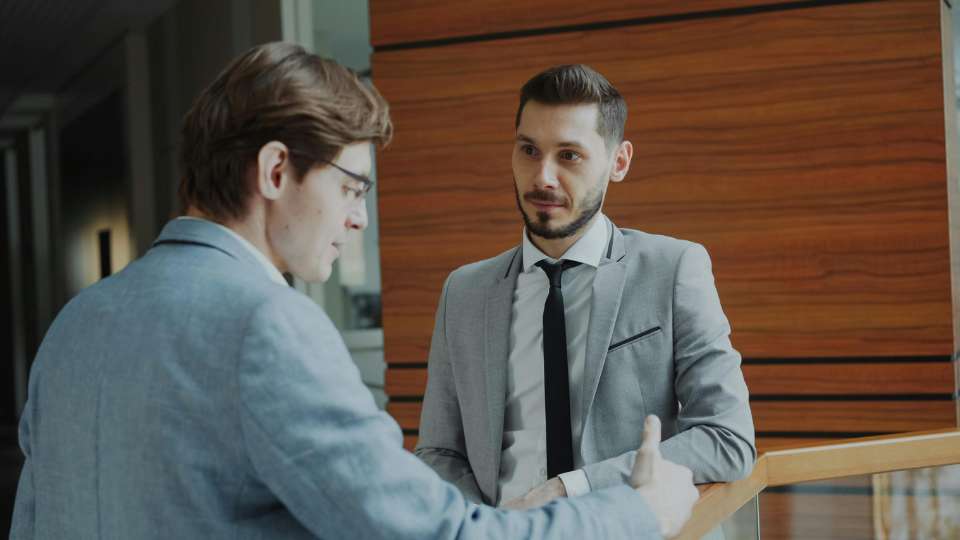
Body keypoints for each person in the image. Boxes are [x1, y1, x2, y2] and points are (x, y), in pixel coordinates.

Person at [10, 43, 698, 539]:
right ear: (276, 171)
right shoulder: (267, 327)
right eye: (349, 187)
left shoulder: (75, 325)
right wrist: (640, 510)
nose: (358, 218)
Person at [416, 64, 756, 509]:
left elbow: (727, 439)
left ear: (619, 162)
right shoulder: (463, 292)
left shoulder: (673, 269)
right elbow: (440, 452)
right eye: (529, 150)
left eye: (569, 155)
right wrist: (491, 529)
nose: (544, 178)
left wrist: (567, 489)